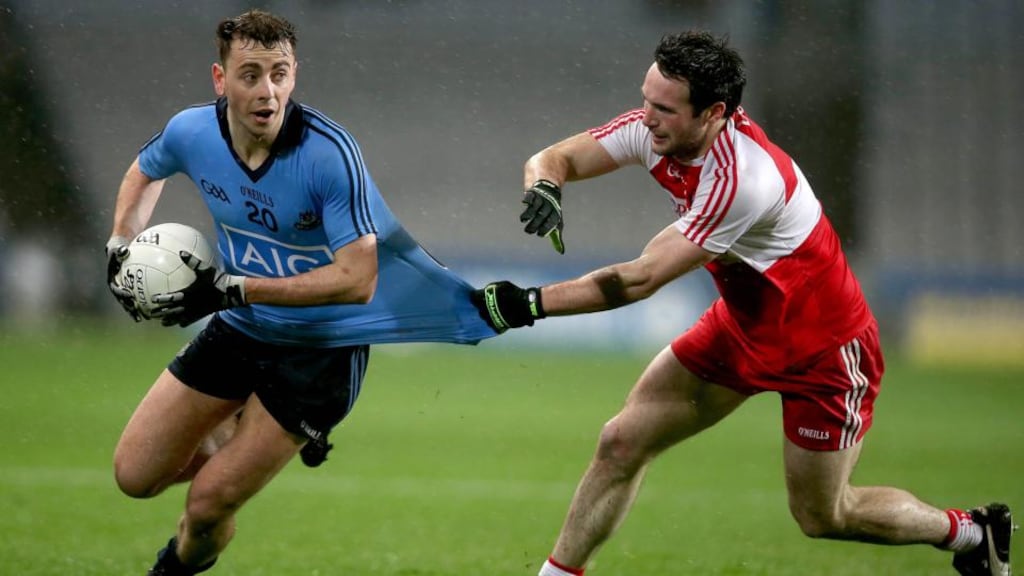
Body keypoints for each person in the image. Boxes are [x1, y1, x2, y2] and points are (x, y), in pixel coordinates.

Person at [472, 31, 1014, 576]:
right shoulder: (654, 131)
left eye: (663, 108)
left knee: (825, 515)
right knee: (620, 442)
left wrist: (530, 304)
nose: (645, 117)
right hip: (741, 329)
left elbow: (639, 280)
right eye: (645, 98)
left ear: (713, 112)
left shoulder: (744, 179)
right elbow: (556, 156)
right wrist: (545, 185)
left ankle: (969, 532)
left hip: (823, 350)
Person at [104, 10, 494, 575]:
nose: (268, 91)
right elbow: (146, 167)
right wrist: (120, 242)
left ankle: (171, 570)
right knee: (134, 477)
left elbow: (359, 281)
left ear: (295, 74)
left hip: (321, 354)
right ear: (220, 79)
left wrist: (233, 289)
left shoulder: (328, 154)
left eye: (280, 74)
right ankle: (243, 424)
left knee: (208, 506)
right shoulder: (191, 131)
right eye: (251, 74)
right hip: (240, 330)